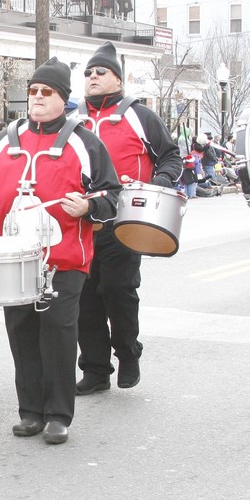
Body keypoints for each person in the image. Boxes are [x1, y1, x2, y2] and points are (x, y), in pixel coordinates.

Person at [0, 57, 120, 445]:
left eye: (45, 92)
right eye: (32, 91)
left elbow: (112, 194)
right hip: (13, 257)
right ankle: (30, 411)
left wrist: (88, 206)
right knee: (22, 333)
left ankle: (58, 414)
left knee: (58, 333)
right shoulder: (5, 137)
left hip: (63, 259)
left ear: (62, 99)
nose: (36, 97)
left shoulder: (84, 141)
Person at [76, 42, 182, 394]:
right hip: (83, 222)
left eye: (100, 71)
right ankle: (95, 369)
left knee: (119, 291)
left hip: (125, 220)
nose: (92, 77)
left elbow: (170, 157)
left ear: (117, 79)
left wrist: (158, 185)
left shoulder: (140, 115)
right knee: (85, 296)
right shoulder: (73, 120)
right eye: (88, 72)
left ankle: (128, 352)